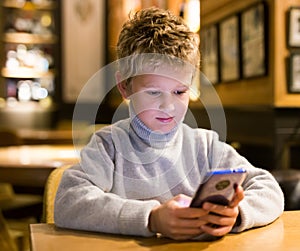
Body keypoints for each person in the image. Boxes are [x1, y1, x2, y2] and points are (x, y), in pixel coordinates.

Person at [54, 7, 284, 240]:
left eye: (179, 91)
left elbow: (269, 187)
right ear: (124, 86)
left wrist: (237, 215)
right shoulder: (109, 146)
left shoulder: (205, 146)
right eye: (153, 92)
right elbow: (68, 200)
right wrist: (151, 218)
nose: (168, 106)